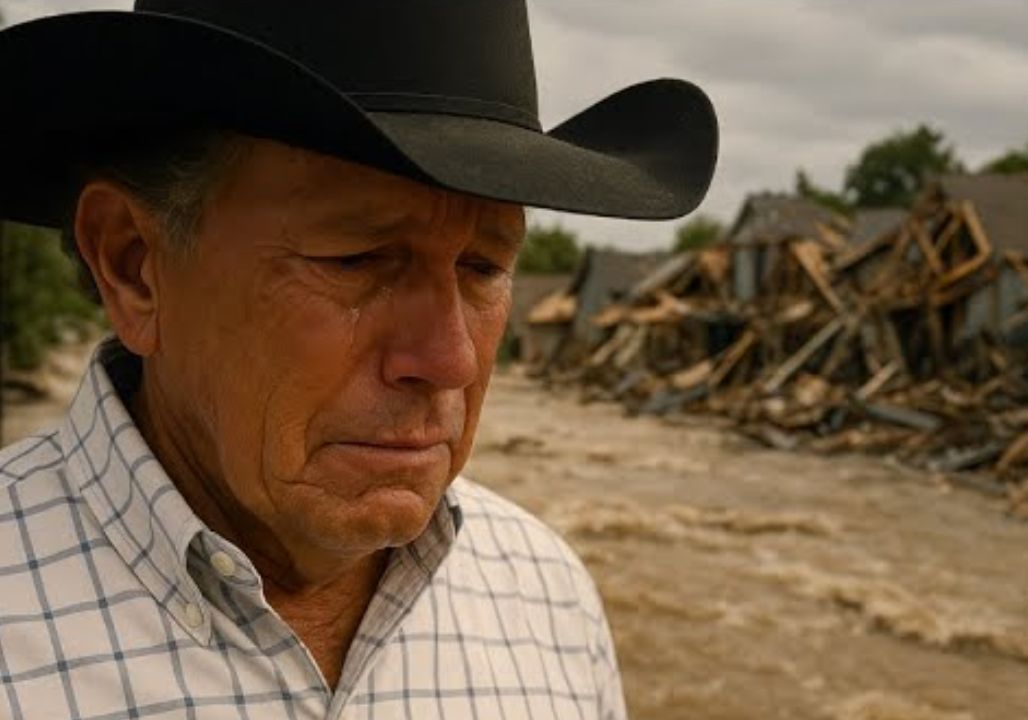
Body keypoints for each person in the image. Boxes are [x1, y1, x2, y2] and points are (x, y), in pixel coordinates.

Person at [0, 2, 717, 718]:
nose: (450, 359)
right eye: (359, 259)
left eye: (483, 266)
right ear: (135, 269)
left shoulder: (549, 599)